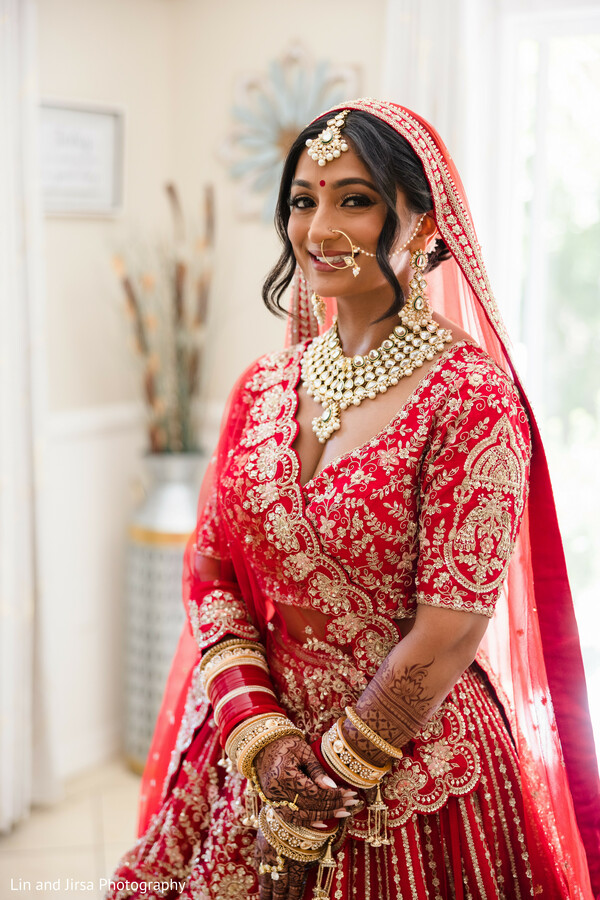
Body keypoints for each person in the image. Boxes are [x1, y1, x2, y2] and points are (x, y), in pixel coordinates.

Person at [105, 100, 600, 900]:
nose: (321, 226)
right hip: (257, 757)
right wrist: (260, 737)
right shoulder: (264, 388)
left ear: (422, 221)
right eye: (305, 200)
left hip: (406, 770)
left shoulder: (470, 399)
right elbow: (213, 575)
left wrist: (324, 786)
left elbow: (450, 629)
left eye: (356, 199)